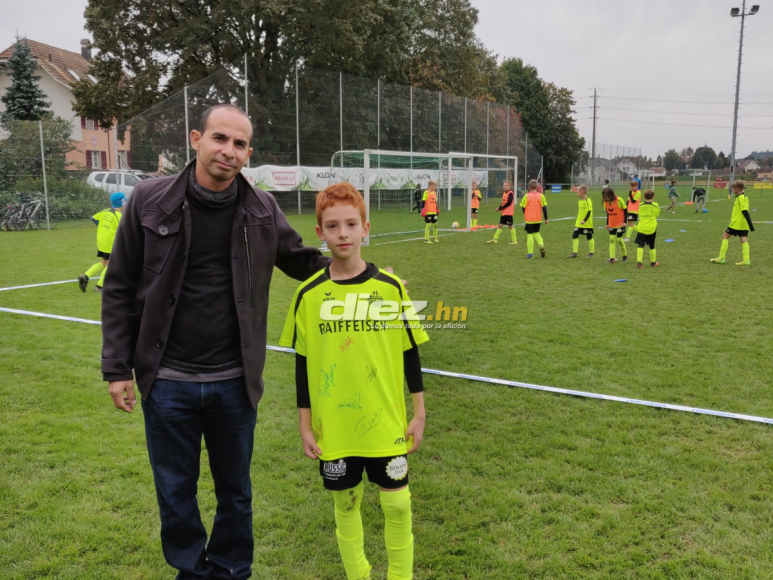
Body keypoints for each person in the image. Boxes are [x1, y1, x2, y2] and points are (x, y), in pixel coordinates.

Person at [101, 104, 346, 580]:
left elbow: (300, 261)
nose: (228, 151)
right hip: (166, 379)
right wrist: (116, 368)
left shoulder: (261, 208)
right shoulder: (148, 200)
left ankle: (233, 571)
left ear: (247, 153)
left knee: (236, 491)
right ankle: (191, 572)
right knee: (175, 491)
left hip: (235, 382)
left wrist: (358, 275)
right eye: (219, 139)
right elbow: (119, 285)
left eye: (238, 145)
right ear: (197, 139)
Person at [279, 182, 429, 580]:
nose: (342, 234)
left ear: (366, 227)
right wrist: (305, 423)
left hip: (386, 421)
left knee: (398, 505)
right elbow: (302, 364)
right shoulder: (308, 295)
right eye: (332, 226)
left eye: (350, 224)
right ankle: (358, 575)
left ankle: (401, 576)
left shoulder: (391, 289)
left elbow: (409, 352)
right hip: (337, 426)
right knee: (345, 504)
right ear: (320, 233)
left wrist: (418, 411)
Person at [78, 192, 127, 293]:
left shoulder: (105, 212)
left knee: (103, 263)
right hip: (111, 244)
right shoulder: (119, 215)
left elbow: (94, 218)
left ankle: (86, 276)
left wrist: (104, 228)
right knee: (110, 266)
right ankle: (99, 287)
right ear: (122, 202)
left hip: (101, 242)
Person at [710, 179, 754, 266]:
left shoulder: (741, 198)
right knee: (743, 239)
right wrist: (749, 225)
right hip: (743, 223)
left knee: (725, 236)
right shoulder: (744, 197)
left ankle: (721, 258)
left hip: (737, 223)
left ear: (737, 188)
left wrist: (751, 225)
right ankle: (746, 260)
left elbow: (745, 211)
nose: (733, 190)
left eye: (733, 189)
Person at [520, 179, 548, 258]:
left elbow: (523, 207)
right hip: (538, 219)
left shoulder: (526, 196)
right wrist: (546, 218)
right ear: (537, 187)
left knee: (529, 235)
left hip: (529, 219)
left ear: (529, 187)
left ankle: (530, 254)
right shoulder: (541, 196)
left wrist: (525, 214)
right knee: (536, 232)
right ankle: (541, 245)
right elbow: (544, 208)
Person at [567, 184, 594, 258]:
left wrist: (584, 220)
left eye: (578, 192)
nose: (577, 193)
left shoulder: (588, 201)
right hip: (578, 223)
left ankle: (591, 253)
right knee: (574, 235)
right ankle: (574, 253)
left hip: (587, 223)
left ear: (582, 192)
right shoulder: (579, 201)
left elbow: (589, 212)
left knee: (589, 236)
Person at [486, 180, 517, 245]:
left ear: (509, 186)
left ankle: (514, 240)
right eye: (504, 185)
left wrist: (500, 208)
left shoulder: (510, 193)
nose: (505, 187)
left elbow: (508, 203)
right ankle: (495, 239)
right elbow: (503, 203)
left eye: (506, 185)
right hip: (504, 212)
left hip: (508, 213)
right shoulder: (504, 193)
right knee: (500, 225)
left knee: (510, 226)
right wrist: (499, 208)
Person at [603, 187, 628, 264]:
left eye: (606, 196)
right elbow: (608, 213)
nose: (605, 198)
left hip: (620, 224)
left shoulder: (619, 200)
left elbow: (625, 210)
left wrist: (624, 222)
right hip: (611, 224)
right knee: (612, 240)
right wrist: (607, 223)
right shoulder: (605, 202)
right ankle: (612, 258)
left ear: (611, 195)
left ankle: (624, 256)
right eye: (604, 196)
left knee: (620, 240)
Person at [635, 189, 660, 268]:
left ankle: (639, 263)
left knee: (640, 246)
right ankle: (653, 262)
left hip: (642, 228)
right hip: (651, 229)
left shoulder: (640, 205)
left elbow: (638, 213)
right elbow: (657, 214)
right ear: (653, 197)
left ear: (644, 197)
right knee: (652, 246)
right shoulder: (655, 205)